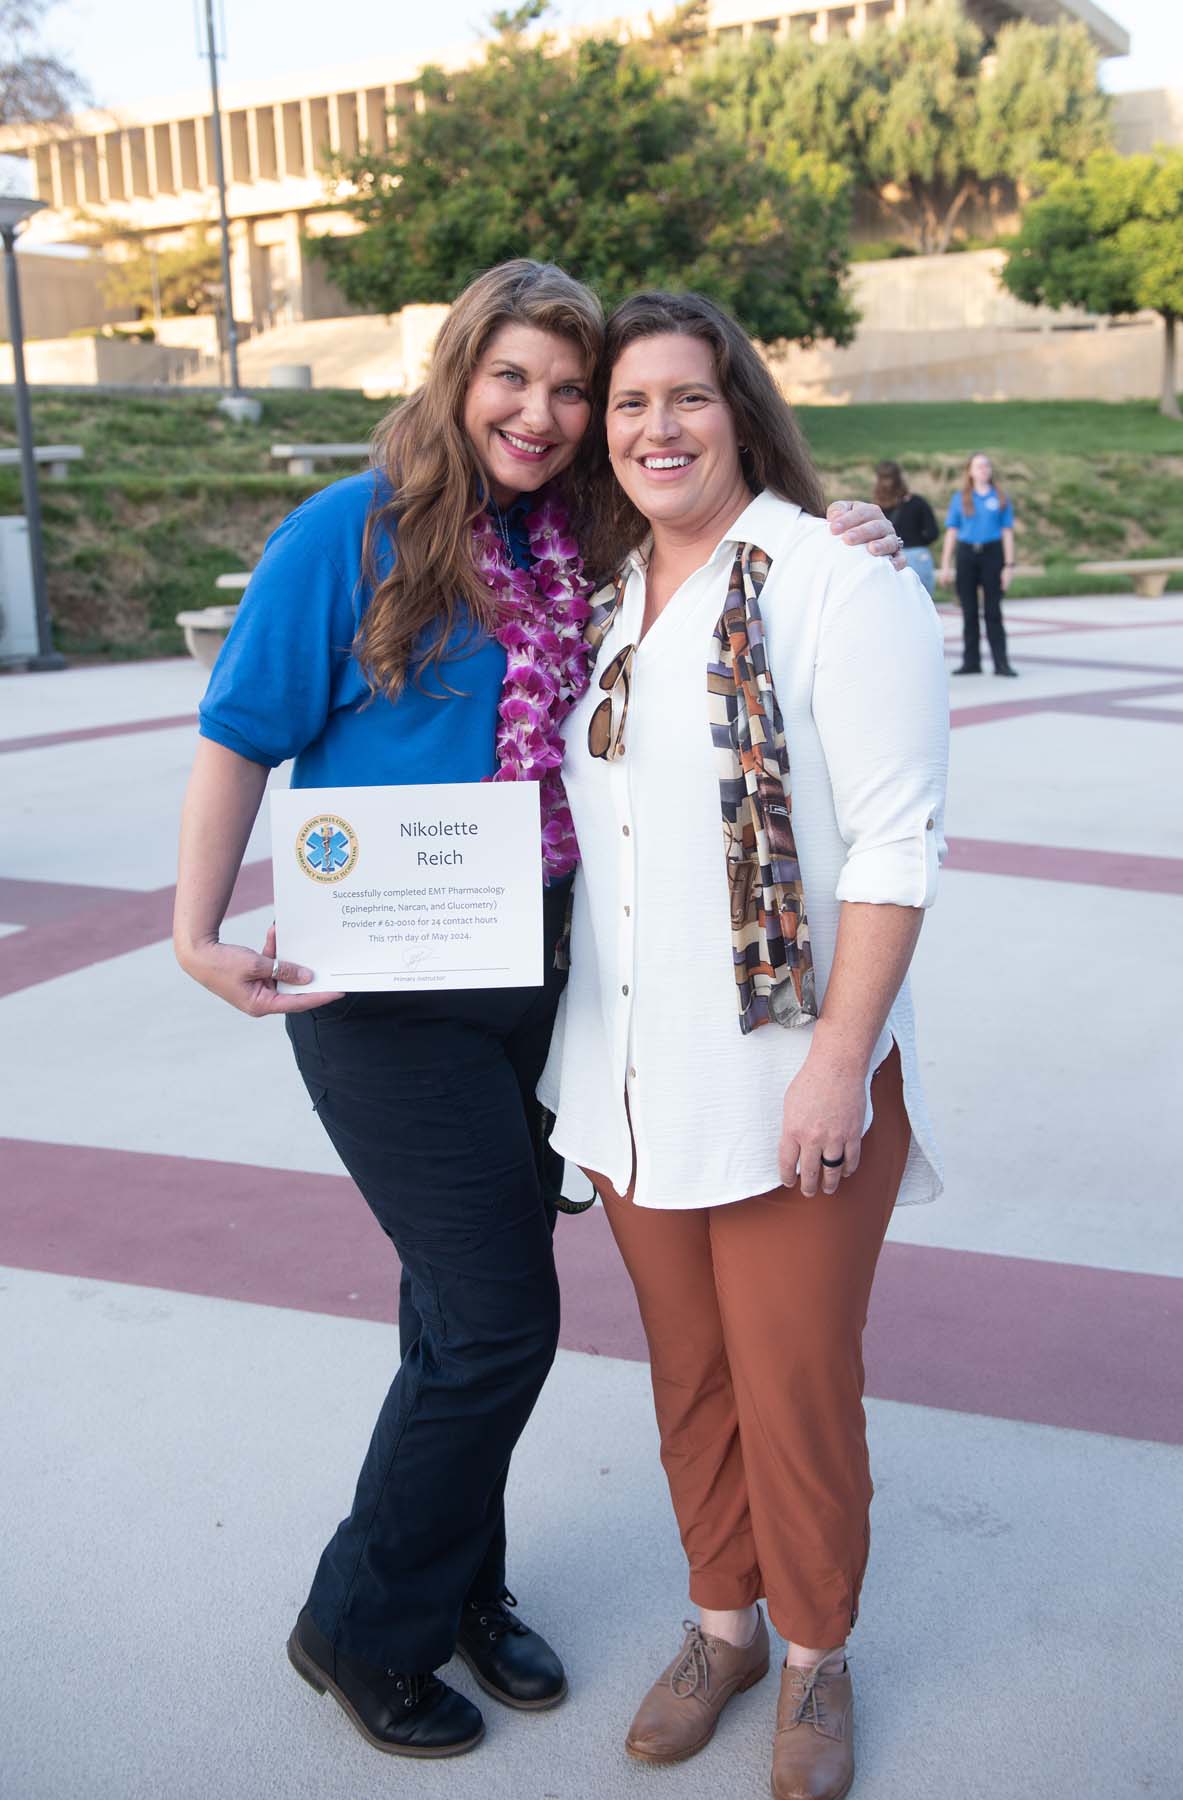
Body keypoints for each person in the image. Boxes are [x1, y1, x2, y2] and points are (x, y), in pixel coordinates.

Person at [172, 259, 907, 1765]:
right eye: (520, 378)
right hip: (385, 992)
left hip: (540, 978)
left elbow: (727, 549)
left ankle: (462, 1588)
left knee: (455, 1310)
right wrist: (191, 930)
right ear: (455, 376)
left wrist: (849, 534)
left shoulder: (578, 548)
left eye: (577, 391)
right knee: (501, 1321)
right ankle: (363, 1621)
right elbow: (239, 735)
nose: (549, 412)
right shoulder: (347, 536)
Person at [541, 291, 948, 1800]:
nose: (657, 427)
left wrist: (838, 1063)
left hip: (793, 1076)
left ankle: (817, 1656)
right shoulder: (600, 609)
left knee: (793, 1379)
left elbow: (896, 844)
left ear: (742, 411)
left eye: (686, 399)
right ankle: (720, 1625)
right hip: (635, 1083)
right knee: (691, 1374)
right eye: (630, 403)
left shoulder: (836, 584)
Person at [939, 451, 1017, 676]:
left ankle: (1001, 663)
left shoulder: (1000, 497)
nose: (984, 469)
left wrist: (1009, 566)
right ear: (970, 471)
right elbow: (951, 533)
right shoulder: (960, 498)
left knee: (993, 611)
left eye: (987, 466)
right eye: (979, 466)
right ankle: (971, 661)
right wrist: (946, 564)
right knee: (969, 611)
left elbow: (1007, 532)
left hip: (992, 555)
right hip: (967, 555)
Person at [873, 459, 938, 598]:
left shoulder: (874, 508)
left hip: (889, 558)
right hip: (917, 554)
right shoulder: (917, 502)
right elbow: (933, 533)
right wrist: (917, 541)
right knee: (924, 606)